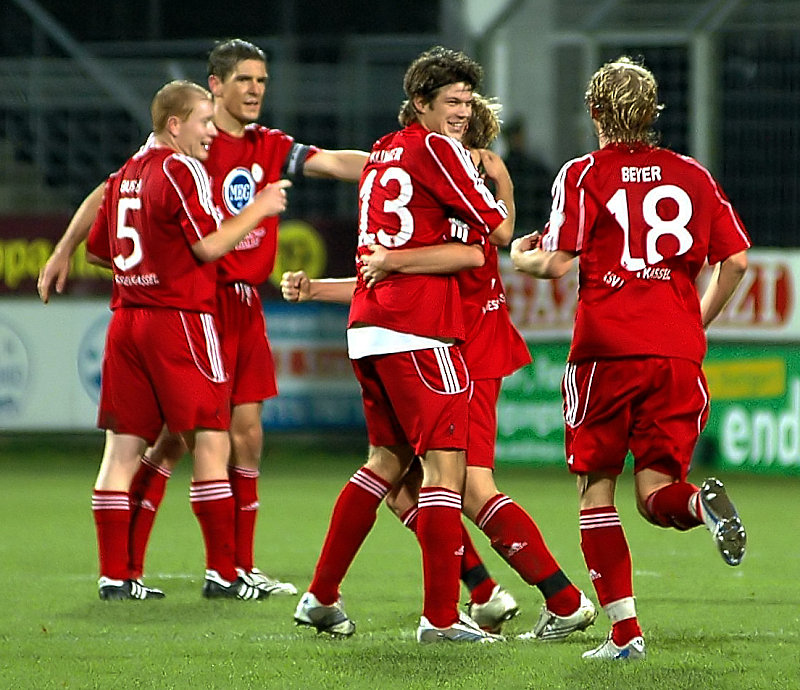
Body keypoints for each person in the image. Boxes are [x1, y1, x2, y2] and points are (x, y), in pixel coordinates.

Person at [38, 38, 368, 597]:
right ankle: (170, 567)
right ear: (214, 87)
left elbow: (336, 162)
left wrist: (394, 164)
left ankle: (232, 565)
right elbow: (111, 194)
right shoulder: (188, 147)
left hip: (235, 304)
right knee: (187, 438)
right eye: (244, 80)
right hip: (194, 306)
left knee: (245, 434)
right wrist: (64, 247)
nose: (255, 90)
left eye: (262, 81)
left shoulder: (267, 145)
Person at [282, 93, 597, 640]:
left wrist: (502, 192)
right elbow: (389, 276)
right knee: (402, 478)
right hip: (433, 343)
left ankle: (556, 600)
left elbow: (478, 247)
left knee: (462, 484)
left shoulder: (457, 190)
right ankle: (483, 593)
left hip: (465, 347)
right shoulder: (439, 185)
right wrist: (318, 290)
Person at [510, 56, 750, 660]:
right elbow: (737, 261)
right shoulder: (692, 174)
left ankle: (625, 636)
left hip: (607, 350)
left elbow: (555, 262)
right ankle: (698, 504)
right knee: (657, 493)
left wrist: (518, 256)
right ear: (651, 113)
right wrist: (694, 322)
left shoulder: (583, 172)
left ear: (594, 111)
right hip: (676, 353)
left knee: (597, 489)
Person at [85, 80, 290, 600]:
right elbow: (209, 246)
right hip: (178, 320)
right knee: (212, 440)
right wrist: (261, 206)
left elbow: (98, 250)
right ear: (174, 125)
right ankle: (223, 573)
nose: (210, 133)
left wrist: (148, 268)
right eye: (203, 122)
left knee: (121, 451)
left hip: (126, 319)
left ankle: (115, 577)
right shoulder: (180, 169)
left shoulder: (124, 174)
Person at [501, 117, 553, 232]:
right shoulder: (500, 169)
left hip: (531, 227)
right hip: (515, 229)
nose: (516, 140)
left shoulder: (536, 169)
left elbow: (547, 199)